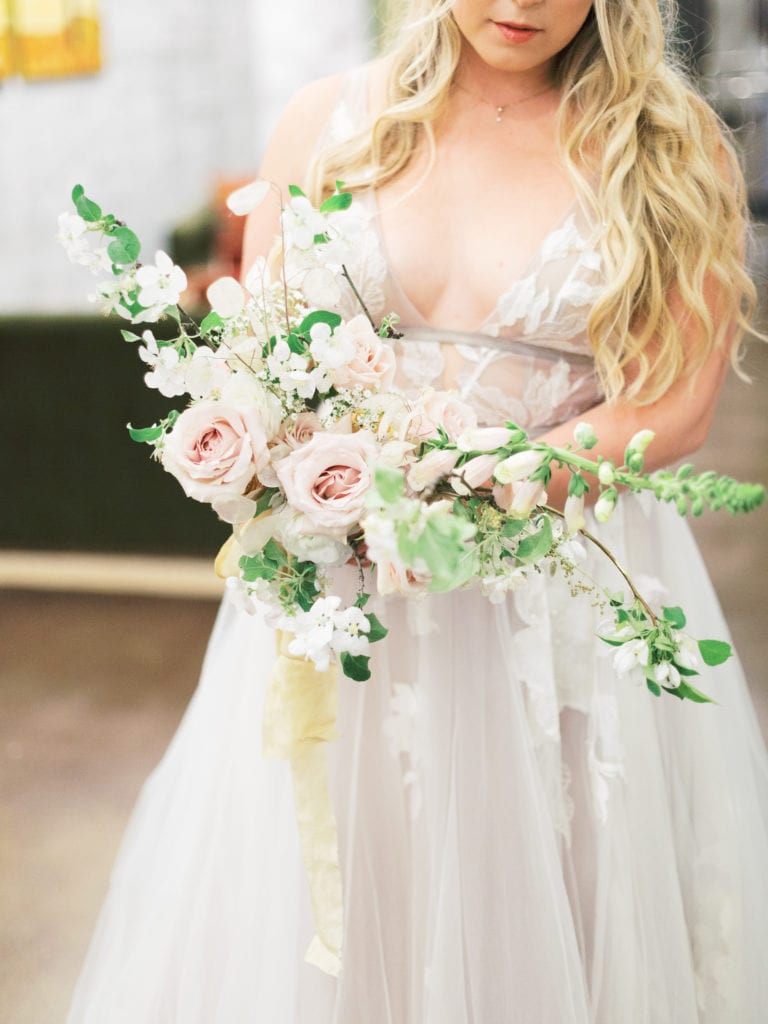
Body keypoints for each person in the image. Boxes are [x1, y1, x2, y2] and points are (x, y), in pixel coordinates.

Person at [68, 1, 768, 1021]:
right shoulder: (327, 123)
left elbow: (676, 404)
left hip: (554, 600)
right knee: (342, 901)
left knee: (558, 897)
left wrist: (493, 482)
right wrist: (302, 463)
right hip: (349, 602)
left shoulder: (669, 146)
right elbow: (261, 360)